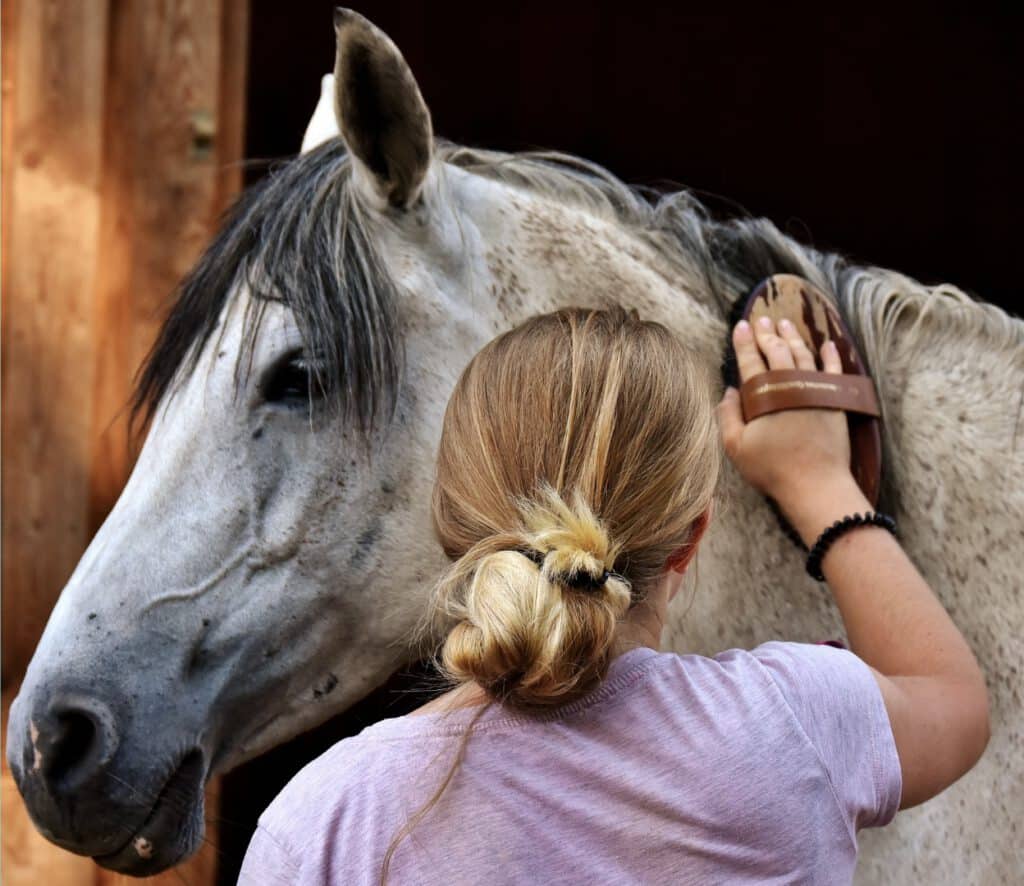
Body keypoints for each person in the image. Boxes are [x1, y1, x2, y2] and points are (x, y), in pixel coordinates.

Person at [238, 306, 989, 885]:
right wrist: (819, 483)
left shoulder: (326, 825)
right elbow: (951, 700)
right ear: (693, 537)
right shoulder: (793, 723)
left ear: (450, 530)